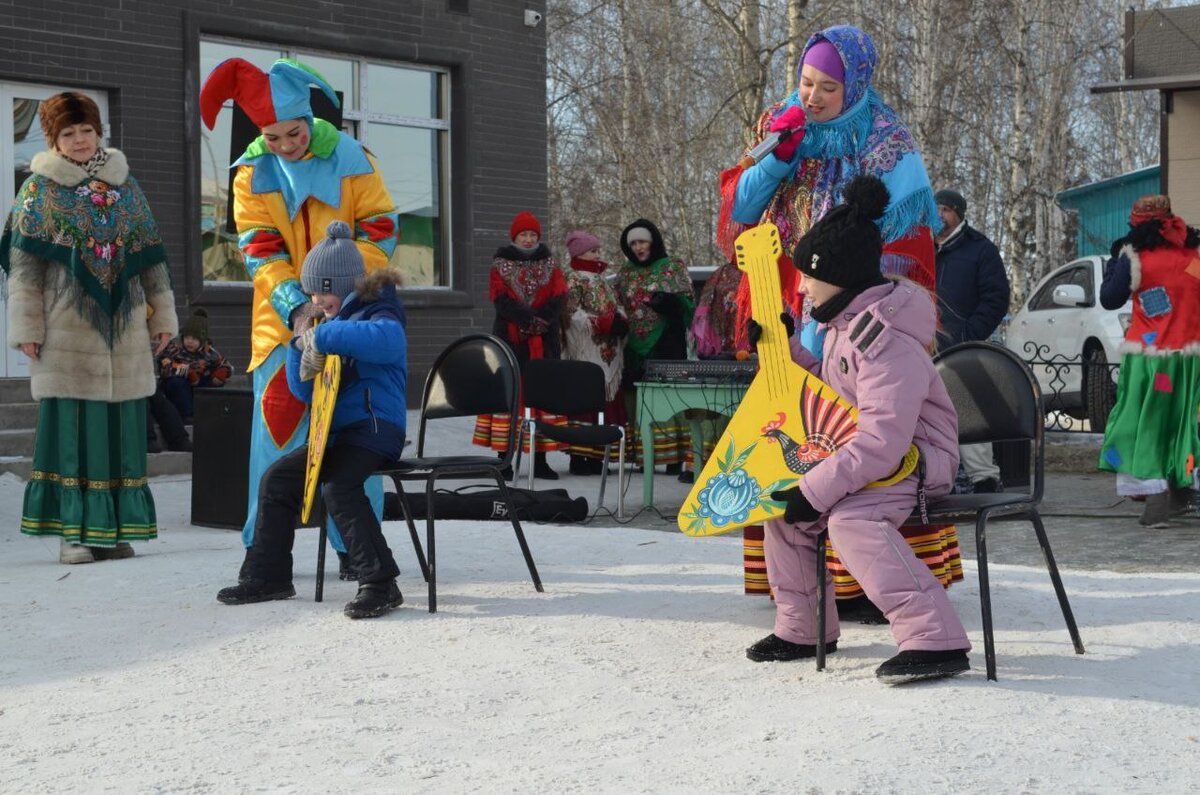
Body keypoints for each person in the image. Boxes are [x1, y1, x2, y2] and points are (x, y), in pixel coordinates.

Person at [719, 24, 959, 616]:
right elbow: (740, 210)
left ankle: (871, 587)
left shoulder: (887, 139)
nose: (814, 95)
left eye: (828, 86)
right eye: (805, 82)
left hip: (860, 312)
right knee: (796, 428)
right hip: (790, 302)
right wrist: (779, 156)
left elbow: (906, 238)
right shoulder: (782, 121)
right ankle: (797, 595)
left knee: (862, 432)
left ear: (855, 85)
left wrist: (868, 303)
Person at [747, 176, 970, 683]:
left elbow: (882, 442)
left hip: (917, 459)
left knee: (850, 521)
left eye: (808, 276)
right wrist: (783, 350)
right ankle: (802, 630)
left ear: (840, 275)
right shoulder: (845, 325)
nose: (801, 286)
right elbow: (834, 392)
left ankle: (935, 639)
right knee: (785, 514)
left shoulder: (885, 340)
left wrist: (815, 487)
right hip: (876, 454)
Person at [200, 58, 399, 569]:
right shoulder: (249, 174)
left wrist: (344, 297)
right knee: (277, 436)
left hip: (354, 323)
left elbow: (379, 228)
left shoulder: (355, 157)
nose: (287, 145)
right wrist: (299, 309)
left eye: (294, 132)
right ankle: (265, 557)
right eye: (273, 137)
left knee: (354, 439)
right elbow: (260, 250)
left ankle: (357, 551)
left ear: (308, 119)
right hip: (282, 328)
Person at [1, 92, 178, 563]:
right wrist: (27, 326)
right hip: (66, 331)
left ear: (99, 133)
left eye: (86, 131)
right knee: (73, 432)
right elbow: (23, 269)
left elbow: (153, 262)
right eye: (68, 133)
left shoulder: (126, 187)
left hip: (124, 330)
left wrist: (163, 317)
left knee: (119, 431)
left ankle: (111, 531)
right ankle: (72, 535)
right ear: (53, 139)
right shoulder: (39, 190)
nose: (79, 140)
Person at [217, 220, 408, 618]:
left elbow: (388, 343)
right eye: (313, 292)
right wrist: (297, 349)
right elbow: (306, 394)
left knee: (339, 486)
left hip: (376, 428)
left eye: (324, 290)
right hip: (336, 436)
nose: (317, 300)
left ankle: (379, 582)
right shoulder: (327, 323)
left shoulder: (381, 311)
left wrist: (324, 337)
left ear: (345, 284)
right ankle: (268, 576)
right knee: (277, 479)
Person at [1098, 194, 1200, 528]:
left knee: (1143, 422)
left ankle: (1155, 498)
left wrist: (1114, 265)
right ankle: (1183, 490)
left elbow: (1110, 299)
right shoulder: (1193, 254)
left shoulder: (1135, 256)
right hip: (1190, 358)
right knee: (1181, 422)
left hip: (1149, 358)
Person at [472, 211, 568, 479]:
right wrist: (526, 320)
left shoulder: (551, 264)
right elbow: (500, 299)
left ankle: (541, 461)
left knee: (541, 396)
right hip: (510, 339)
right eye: (523, 234)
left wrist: (542, 321)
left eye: (532, 235)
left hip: (544, 340)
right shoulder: (500, 265)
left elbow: (560, 297)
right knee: (510, 394)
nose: (528, 239)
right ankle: (504, 459)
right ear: (514, 236)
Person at [933, 188, 1010, 494]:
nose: (939, 215)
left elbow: (996, 298)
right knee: (928, 413)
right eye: (935, 208)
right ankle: (937, 477)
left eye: (946, 209)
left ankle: (984, 477)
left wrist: (968, 333)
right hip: (923, 344)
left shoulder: (980, 249)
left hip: (961, 347)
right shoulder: (921, 247)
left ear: (959, 214)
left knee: (968, 408)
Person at [613, 219, 696, 476]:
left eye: (643, 242)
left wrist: (669, 303)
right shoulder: (624, 274)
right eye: (633, 243)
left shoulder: (672, 267)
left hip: (666, 343)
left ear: (653, 242)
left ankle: (674, 457)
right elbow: (616, 304)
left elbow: (688, 304)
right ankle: (643, 454)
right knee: (636, 398)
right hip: (633, 346)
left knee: (668, 398)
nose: (639, 247)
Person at [560, 229, 629, 475]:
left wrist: (621, 320)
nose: (597, 254)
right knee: (585, 401)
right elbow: (570, 314)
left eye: (598, 249)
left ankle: (598, 456)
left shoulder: (602, 280)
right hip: (587, 348)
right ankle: (579, 457)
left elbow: (616, 305)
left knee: (604, 402)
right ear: (579, 253)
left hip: (607, 349)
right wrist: (601, 323)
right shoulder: (573, 278)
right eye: (592, 250)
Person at [158, 308, 233, 422]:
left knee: (213, 382)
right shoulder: (174, 350)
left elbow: (226, 364)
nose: (190, 342)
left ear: (202, 340)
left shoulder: (209, 353)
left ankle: (209, 414)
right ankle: (187, 415)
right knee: (176, 383)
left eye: (194, 339)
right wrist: (187, 372)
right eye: (187, 337)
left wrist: (223, 372)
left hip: (197, 388)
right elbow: (164, 368)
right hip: (180, 390)